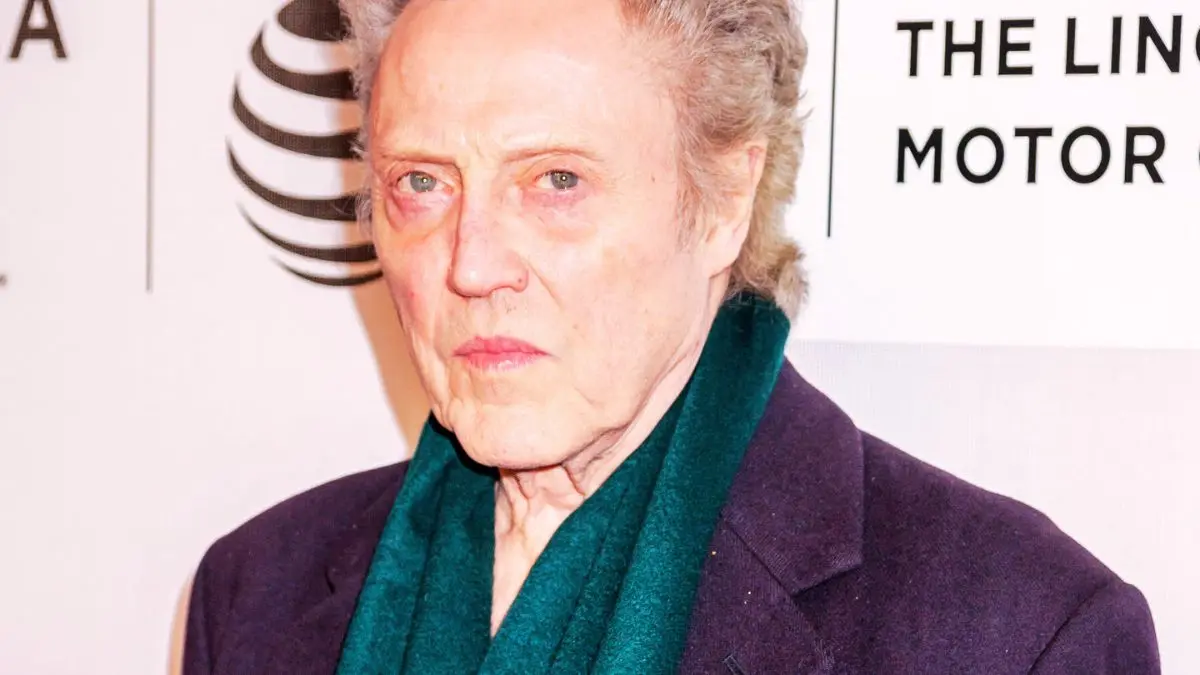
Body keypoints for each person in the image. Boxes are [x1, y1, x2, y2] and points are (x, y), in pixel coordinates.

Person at [182, 0, 1160, 672]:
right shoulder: (254, 594)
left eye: (556, 181)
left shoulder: (1021, 634)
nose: (471, 265)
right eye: (422, 183)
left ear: (726, 195)